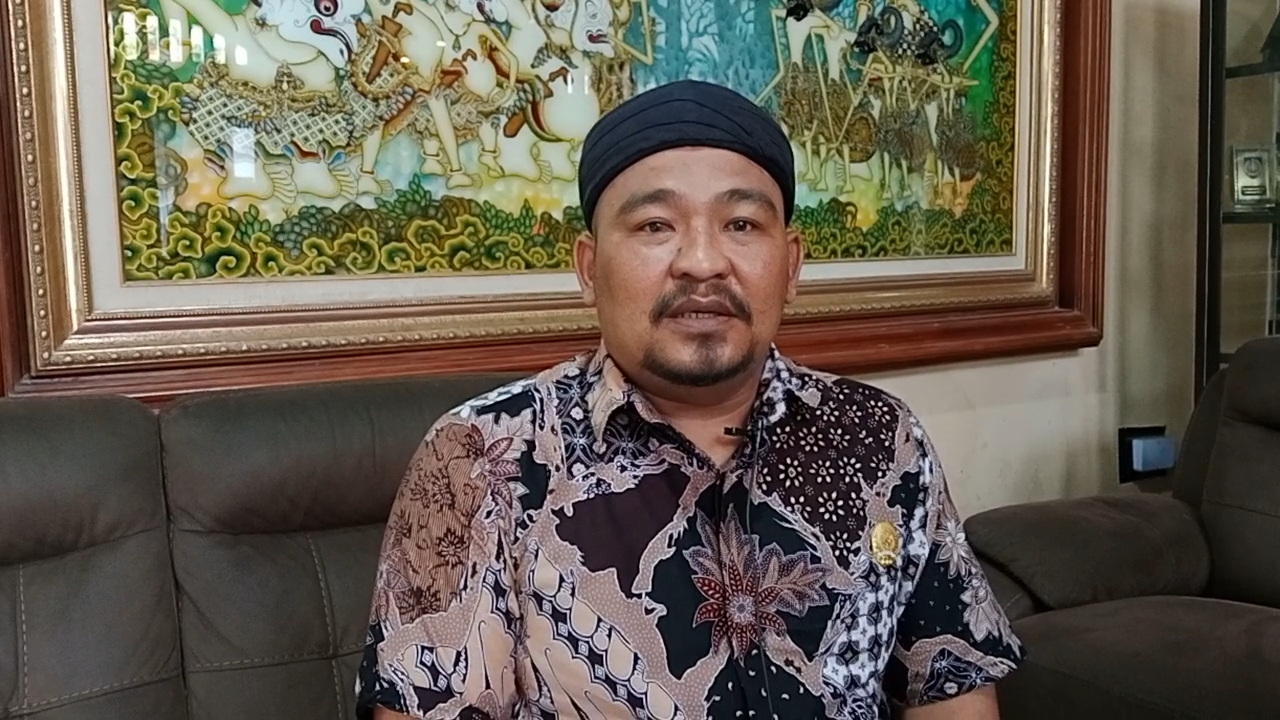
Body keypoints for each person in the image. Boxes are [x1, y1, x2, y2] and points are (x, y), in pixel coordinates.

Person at [355, 79, 1023, 719]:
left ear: (791, 266)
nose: (702, 261)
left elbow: (951, 685)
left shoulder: (879, 439)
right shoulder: (482, 457)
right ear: (588, 269)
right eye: (655, 226)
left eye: (741, 224)